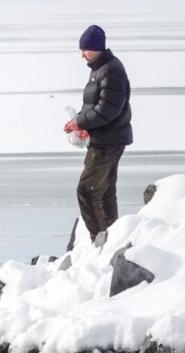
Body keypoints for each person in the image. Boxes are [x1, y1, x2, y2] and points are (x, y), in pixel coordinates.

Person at [64, 25, 132, 242]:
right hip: (105, 137)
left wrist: (81, 122)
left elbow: (109, 109)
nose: (83, 55)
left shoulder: (111, 70)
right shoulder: (100, 69)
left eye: (86, 50)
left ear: (97, 48)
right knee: (104, 191)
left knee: (87, 190)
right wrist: (82, 124)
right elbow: (98, 105)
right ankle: (112, 237)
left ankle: (99, 240)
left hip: (108, 140)